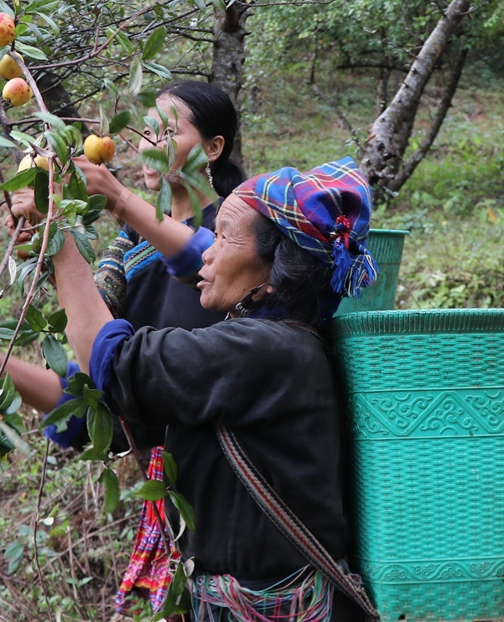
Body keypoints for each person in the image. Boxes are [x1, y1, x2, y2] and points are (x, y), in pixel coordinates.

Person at [0, 80, 244, 612]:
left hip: (239, 487)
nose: (148, 144)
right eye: (145, 131)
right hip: (176, 507)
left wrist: (119, 200)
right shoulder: (125, 254)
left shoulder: (238, 236)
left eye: (169, 132)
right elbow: (88, 395)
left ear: (213, 148)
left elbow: (205, 258)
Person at [53, 158, 377, 622]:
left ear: (276, 261)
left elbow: (115, 364)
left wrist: (62, 242)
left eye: (225, 236)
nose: (208, 251)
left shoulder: (261, 349)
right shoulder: (285, 339)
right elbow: (191, 258)